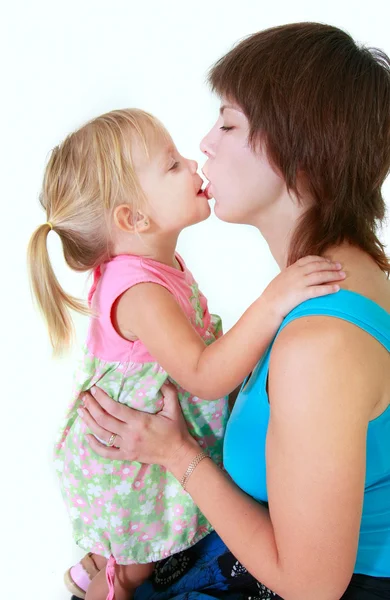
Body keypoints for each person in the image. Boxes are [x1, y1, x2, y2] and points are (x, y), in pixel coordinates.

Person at [77, 22, 390, 600]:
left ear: (298, 154)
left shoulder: (320, 344)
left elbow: (311, 586)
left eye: (227, 123)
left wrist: (176, 454)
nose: (204, 145)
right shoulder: (343, 281)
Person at [27, 109, 341, 600]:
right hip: (125, 464)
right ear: (133, 218)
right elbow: (202, 375)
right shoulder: (139, 292)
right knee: (136, 568)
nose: (194, 162)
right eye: (172, 165)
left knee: (150, 556)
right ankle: (106, 582)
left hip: (147, 442)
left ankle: (99, 568)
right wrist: (274, 299)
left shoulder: (155, 265)